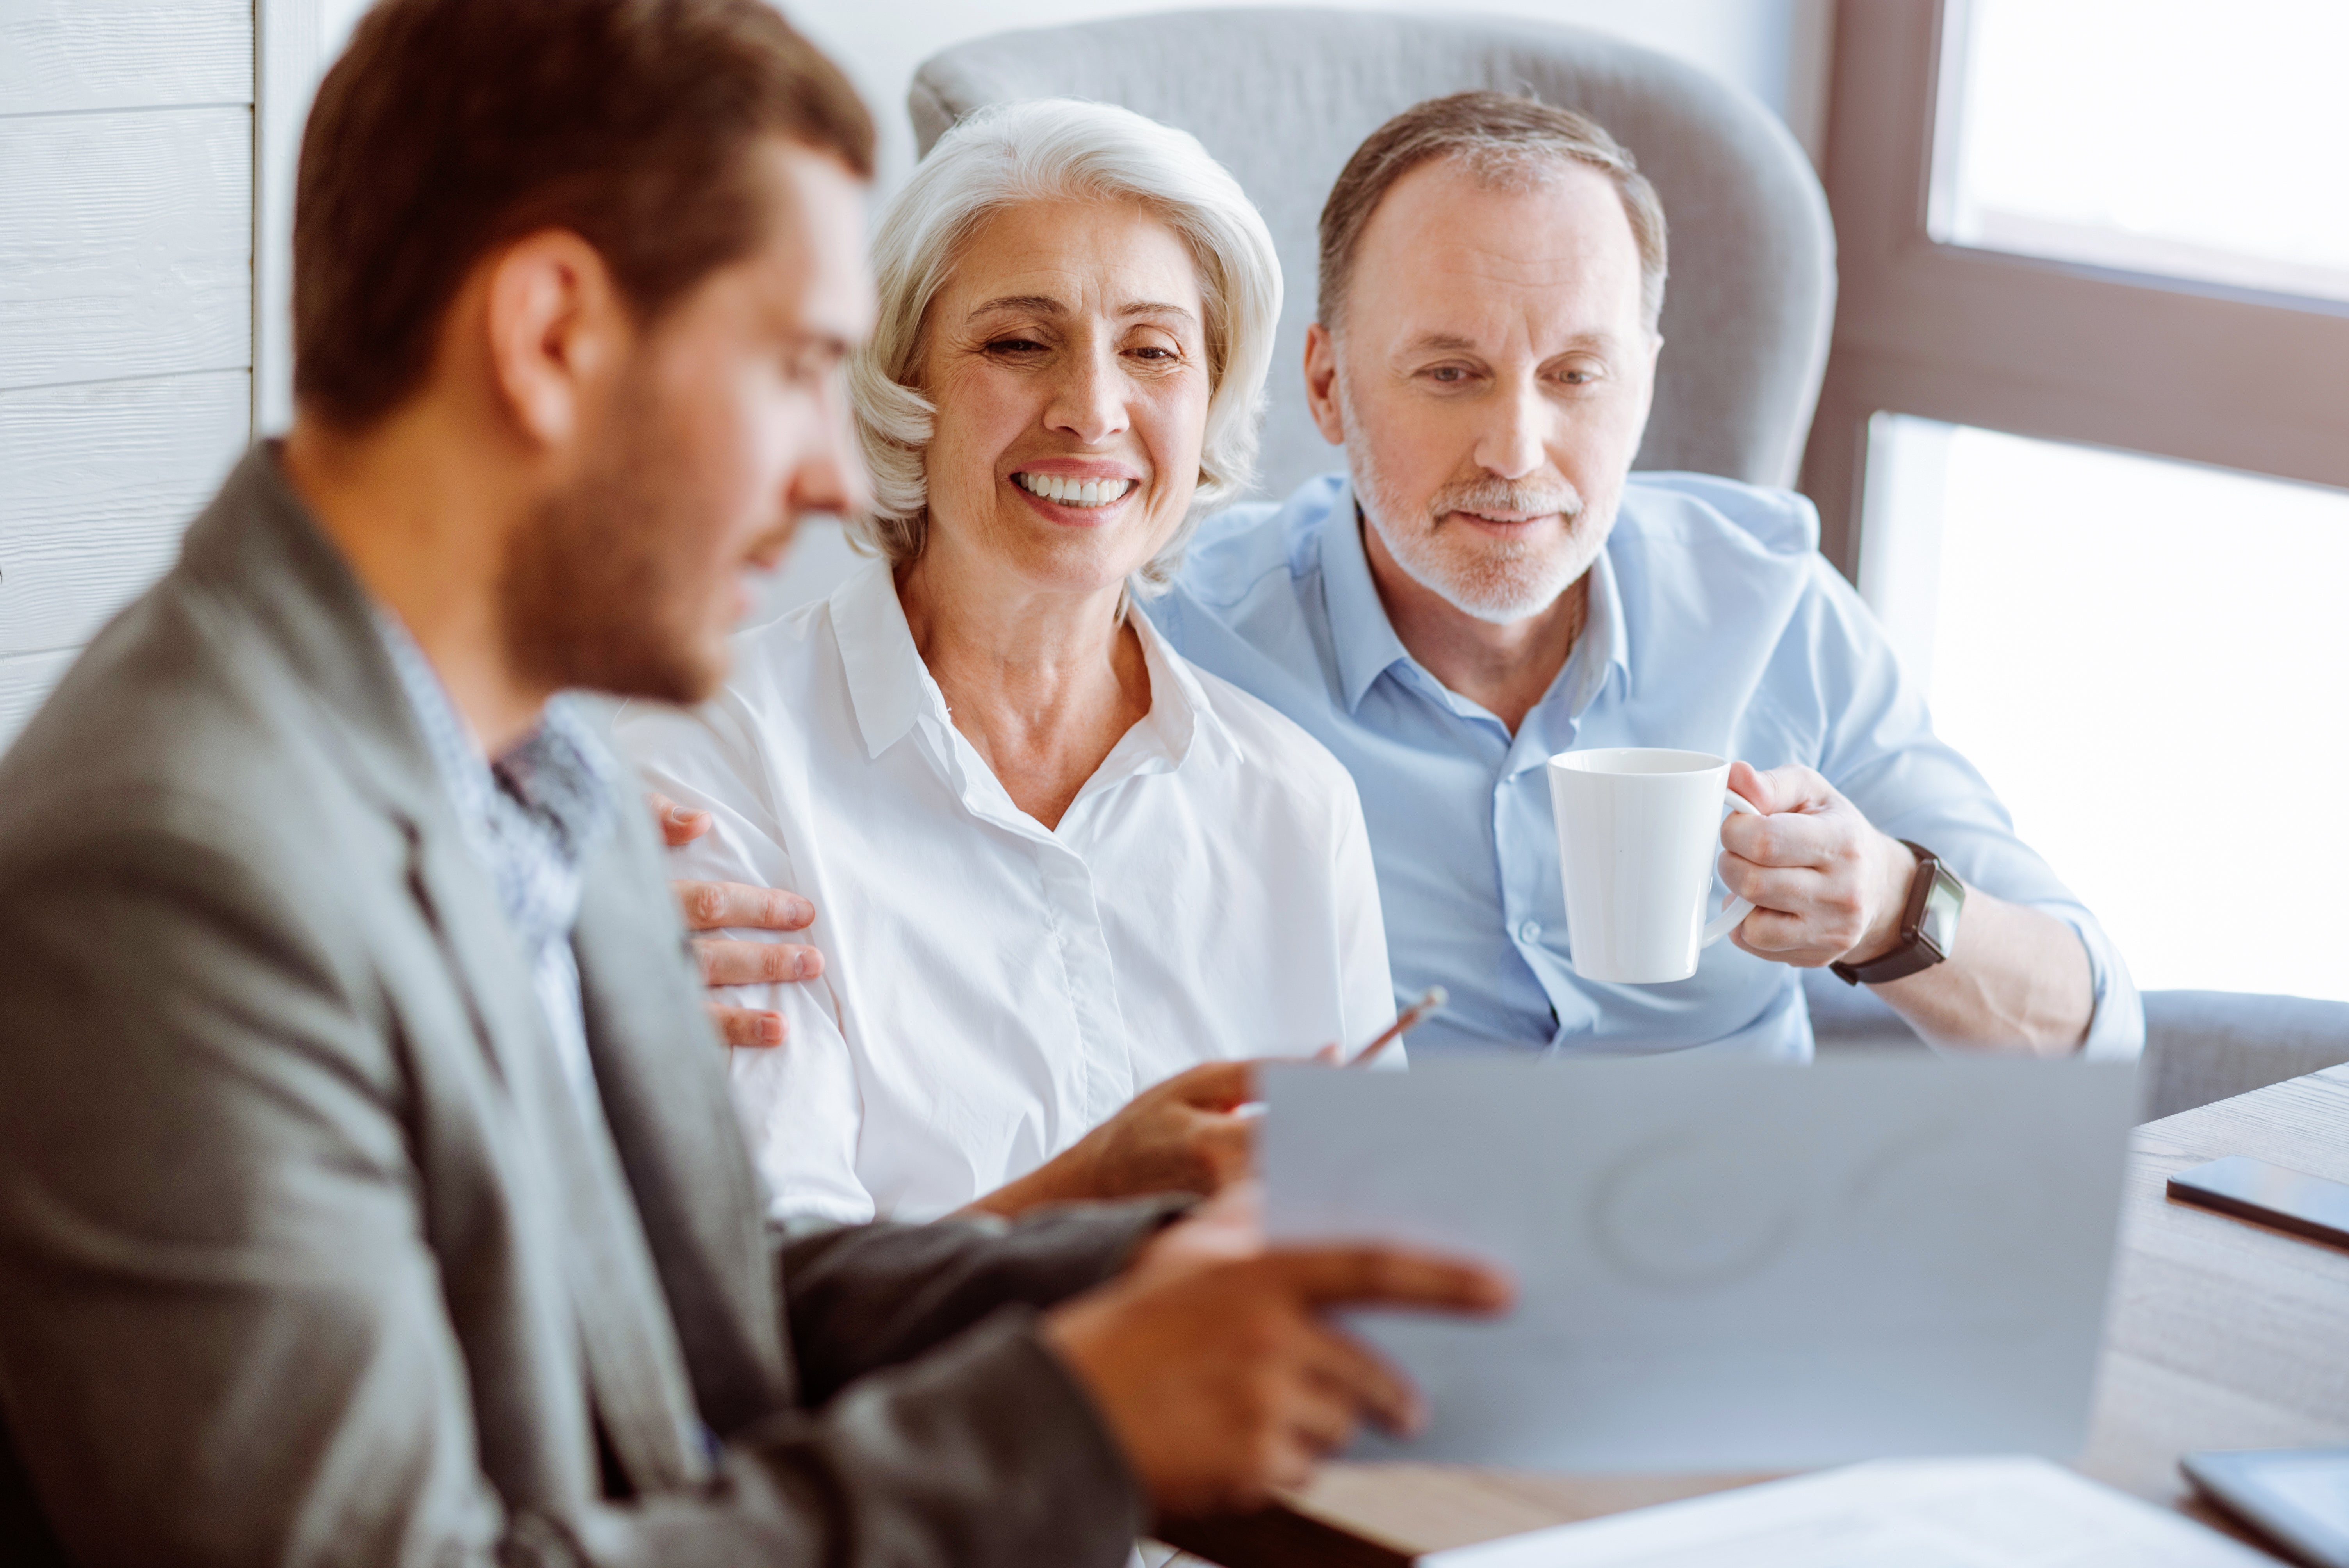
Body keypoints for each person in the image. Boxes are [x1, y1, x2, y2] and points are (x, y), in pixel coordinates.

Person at [0, 7, 1506, 1563]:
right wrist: (1079, 1416)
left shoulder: (529, 764)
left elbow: (697, 1305)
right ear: (549, 337)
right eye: (794, 366)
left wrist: (1145, 1271)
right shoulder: (179, 878)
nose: (839, 476)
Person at [685, 91, 2142, 1063]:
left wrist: (1896, 908)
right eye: (1447, 372)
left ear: (1647, 378)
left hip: (1734, 1305)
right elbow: (919, 782)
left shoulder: (1773, 609)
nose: (1519, 449)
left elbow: (2100, 1026)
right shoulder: (1170, 628)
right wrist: (616, 936)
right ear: (1323, 383)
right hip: (1380, 1355)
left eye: (1576, 374)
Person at [615, 98, 1395, 1227]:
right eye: (1019, 343)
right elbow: (776, 1300)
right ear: (906, 381)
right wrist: (1094, 1194)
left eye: (1153, 351)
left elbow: (1365, 1247)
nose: (1093, 408)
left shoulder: (1295, 803)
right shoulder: (718, 754)